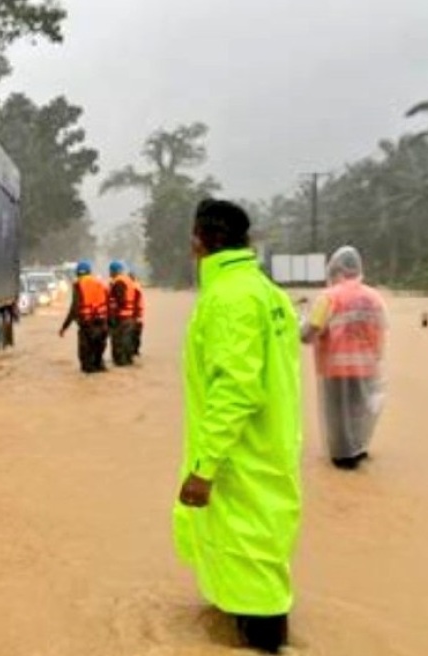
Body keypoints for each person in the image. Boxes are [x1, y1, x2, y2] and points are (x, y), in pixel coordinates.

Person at [173, 199, 303, 654]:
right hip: (269, 449)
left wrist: (204, 468)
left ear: (199, 242)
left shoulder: (230, 299)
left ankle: (267, 641)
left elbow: (236, 391)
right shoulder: (267, 293)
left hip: (237, 459)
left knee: (253, 575)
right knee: (260, 555)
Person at [300, 245, 388, 471]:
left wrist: (298, 325)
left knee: (337, 418)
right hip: (367, 369)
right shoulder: (375, 297)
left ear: (336, 270)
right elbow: (380, 332)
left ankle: (343, 458)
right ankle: (358, 449)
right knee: (360, 413)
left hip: (336, 369)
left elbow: (311, 331)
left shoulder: (329, 297)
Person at [59, 260, 109, 374]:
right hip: (102, 327)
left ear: (77, 273)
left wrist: (64, 327)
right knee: (98, 361)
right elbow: (109, 304)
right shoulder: (100, 284)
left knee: (87, 366)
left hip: (87, 328)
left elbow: (74, 309)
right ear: (89, 272)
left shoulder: (78, 285)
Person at [106, 261, 138, 366]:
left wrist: (112, 316)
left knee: (119, 344)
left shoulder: (119, 282)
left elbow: (121, 301)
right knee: (126, 343)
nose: (109, 273)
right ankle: (128, 361)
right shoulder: (128, 280)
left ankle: (122, 362)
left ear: (114, 271)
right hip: (129, 317)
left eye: (110, 270)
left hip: (121, 318)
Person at [128, 267, 145, 358]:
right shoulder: (137, 286)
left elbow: (136, 301)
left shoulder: (133, 287)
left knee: (133, 334)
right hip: (139, 314)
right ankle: (135, 351)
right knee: (136, 335)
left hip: (135, 314)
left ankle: (133, 350)